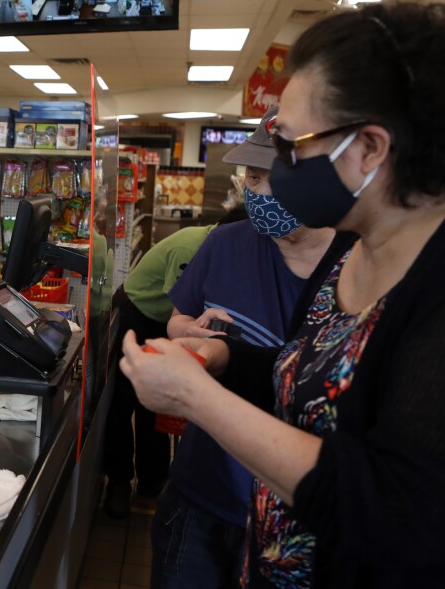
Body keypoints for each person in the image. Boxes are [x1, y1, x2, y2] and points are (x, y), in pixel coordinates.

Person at [121, 1, 445, 587]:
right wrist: (222, 358)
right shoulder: (356, 252)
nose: (278, 171)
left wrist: (198, 399)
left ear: (370, 149)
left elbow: (399, 509)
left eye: (293, 146)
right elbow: (307, 384)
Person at [151, 106, 335, 588]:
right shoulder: (226, 242)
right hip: (202, 493)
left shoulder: (356, 265)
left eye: (266, 176)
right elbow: (178, 320)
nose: (255, 191)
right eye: (249, 177)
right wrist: (190, 337)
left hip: (296, 520)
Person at [102, 206, 248, 519]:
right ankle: (118, 484)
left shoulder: (222, 250)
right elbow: (182, 303)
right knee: (123, 402)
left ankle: (151, 487)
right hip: (137, 316)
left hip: (166, 323)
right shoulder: (191, 247)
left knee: (155, 408)